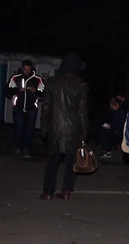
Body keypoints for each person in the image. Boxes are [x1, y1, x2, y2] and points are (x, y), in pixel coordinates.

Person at [39, 52, 89, 201]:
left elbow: (46, 107)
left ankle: (48, 192)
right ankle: (66, 191)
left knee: (52, 161)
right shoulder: (81, 85)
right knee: (71, 162)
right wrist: (84, 132)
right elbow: (82, 112)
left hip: (55, 127)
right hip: (73, 129)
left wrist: (44, 126)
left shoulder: (52, 83)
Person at [6, 59, 44, 158]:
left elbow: (44, 93)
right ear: (22, 68)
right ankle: (17, 147)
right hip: (18, 107)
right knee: (19, 128)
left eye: (28, 69)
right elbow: (8, 91)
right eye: (25, 69)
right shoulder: (15, 78)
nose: (26, 71)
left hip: (32, 108)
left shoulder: (37, 79)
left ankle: (26, 149)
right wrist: (18, 90)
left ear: (31, 69)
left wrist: (35, 91)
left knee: (30, 129)